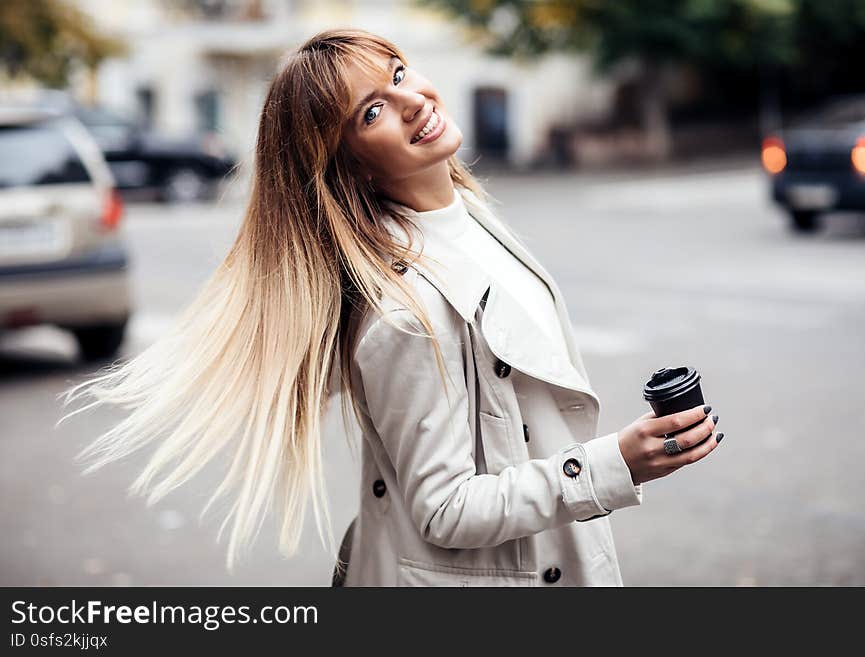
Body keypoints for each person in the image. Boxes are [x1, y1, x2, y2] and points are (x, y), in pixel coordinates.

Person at [57, 28, 722, 586]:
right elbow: (448, 509)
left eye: (399, 73)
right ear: (349, 167)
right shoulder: (405, 313)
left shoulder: (470, 217)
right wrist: (615, 463)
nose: (412, 100)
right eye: (371, 112)